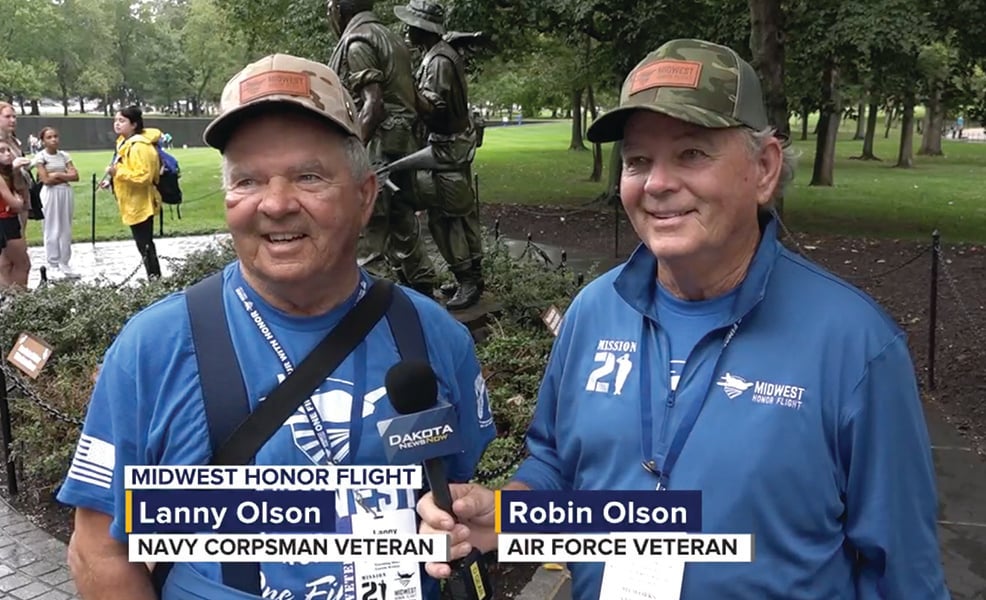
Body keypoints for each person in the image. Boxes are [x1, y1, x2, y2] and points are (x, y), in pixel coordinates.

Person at [417, 39, 950, 599]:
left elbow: (905, 573)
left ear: (764, 168)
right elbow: (556, 465)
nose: (657, 183)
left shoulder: (854, 344)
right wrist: (502, 517)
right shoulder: (594, 313)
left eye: (692, 153)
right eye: (637, 160)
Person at [56, 53, 495, 600]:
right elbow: (101, 549)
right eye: (247, 180)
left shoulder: (435, 338)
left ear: (364, 198)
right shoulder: (154, 347)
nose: (277, 203)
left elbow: (458, 507)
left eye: (309, 176)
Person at [327, 0, 438, 297]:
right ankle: (424, 291)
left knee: (367, 221)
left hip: (378, 146)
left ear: (339, 9)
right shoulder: (392, 39)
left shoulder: (358, 41)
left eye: (330, 8)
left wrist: (351, 150)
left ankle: (366, 302)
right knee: (403, 220)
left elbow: (373, 106)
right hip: (402, 144)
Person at [395, 0, 484, 310]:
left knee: (450, 218)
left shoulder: (438, 62)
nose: (405, 30)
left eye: (411, 25)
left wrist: (405, 88)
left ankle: (469, 280)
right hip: (448, 145)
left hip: (449, 148)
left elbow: (434, 108)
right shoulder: (437, 55)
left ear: (424, 30)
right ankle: (466, 275)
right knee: (450, 215)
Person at [102, 106, 162, 279]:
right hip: (131, 201)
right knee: (142, 244)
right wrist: (112, 180)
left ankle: (155, 279)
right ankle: (153, 278)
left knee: (145, 244)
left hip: (141, 203)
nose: (117, 124)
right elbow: (124, 167)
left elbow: (143, 176)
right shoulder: (123, 142)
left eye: (122, 121)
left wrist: (117, 173)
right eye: (116, 120)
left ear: (134, 124)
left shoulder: (139, 146)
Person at [35, 127, 81, 279]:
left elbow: (75, 176)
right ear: (43, 140)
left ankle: (65, 262)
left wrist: (57, 174)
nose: (53, 139)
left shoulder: (64, 156)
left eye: (55, 136)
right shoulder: (41, 157)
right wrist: (63, 176)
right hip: (50, 194)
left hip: (65, 192)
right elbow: (45, 179)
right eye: (49, 137)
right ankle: (53, 264)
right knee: (52, 228)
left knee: (65, 227)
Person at [0, 140, 29, 289]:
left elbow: (21, 192)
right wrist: (17, 200)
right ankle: (17, 297)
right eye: (2, 151)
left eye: (8, 150)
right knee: (22, 263)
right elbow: (17, 204)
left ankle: (9, 297)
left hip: (8, 219)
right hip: (5, 221)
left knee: (5, 263)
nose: (7, 154)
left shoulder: (7, 174)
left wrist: (16, 171)